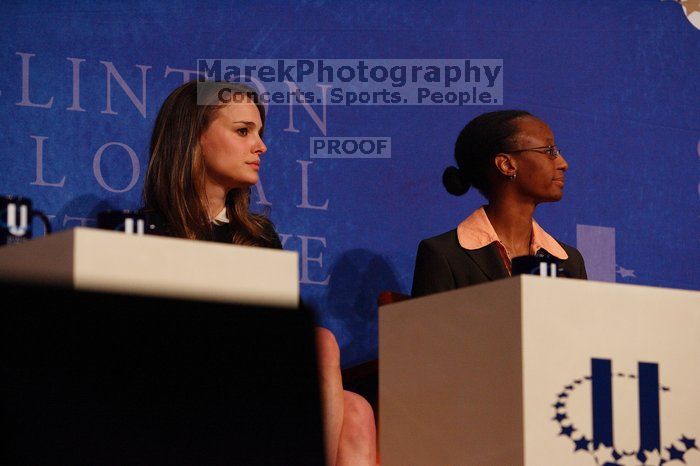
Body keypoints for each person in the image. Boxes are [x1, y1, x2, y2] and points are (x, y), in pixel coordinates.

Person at [143, 80, 376, 466]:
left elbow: (283, 335)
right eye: (242, 131)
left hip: (258, 381)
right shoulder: (145, 231)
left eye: (259, 133)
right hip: (185, 384)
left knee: (355, 410)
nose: (261, 146)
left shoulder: (257, 234)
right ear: (193, 137)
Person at [412, 110, 587, 297]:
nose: (563, 163)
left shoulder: (569, 262)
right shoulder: (445, 255)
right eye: (549, 151)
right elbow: (429, 326)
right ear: (507, 165)